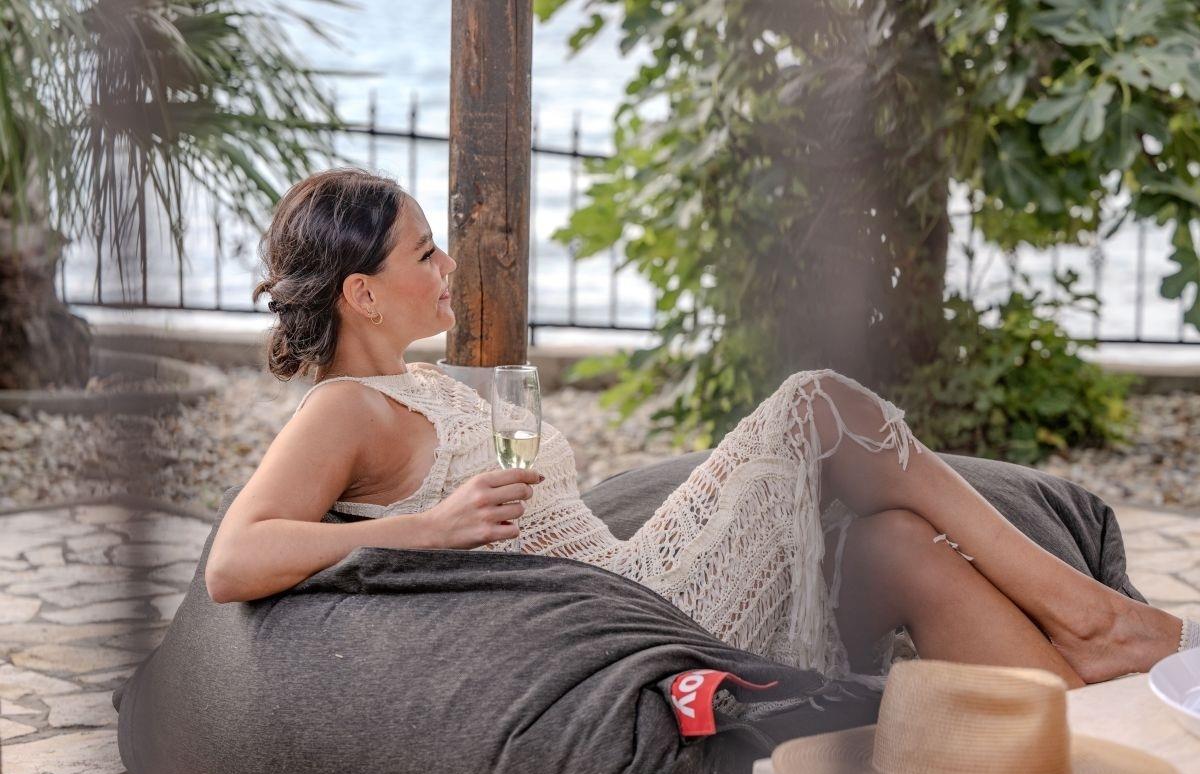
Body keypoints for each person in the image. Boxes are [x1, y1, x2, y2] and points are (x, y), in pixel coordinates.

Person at [205, 167, 1197, 689]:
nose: (448, 265)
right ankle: (1093, 615)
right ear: (364, 293)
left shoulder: (426, 384)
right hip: (630, 621)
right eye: (426, 253)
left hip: (627, 579)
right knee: (817, 403)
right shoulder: (344, 408)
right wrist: (426, 528)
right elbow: (235, 559)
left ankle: (1088, 698)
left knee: (896, 543)